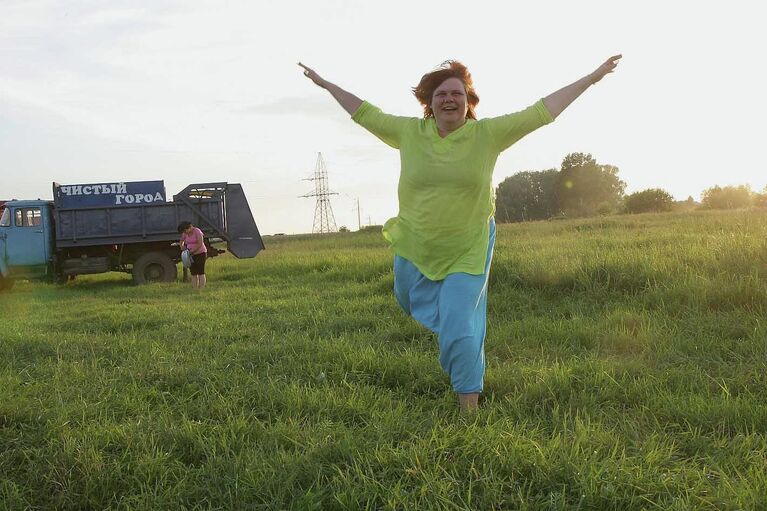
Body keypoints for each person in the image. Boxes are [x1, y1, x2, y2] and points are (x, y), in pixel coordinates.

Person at [299, 55, 621, 411]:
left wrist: (591, 78)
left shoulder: (487, 135)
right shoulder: (408, 132)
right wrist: (327, 84)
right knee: (406, 298)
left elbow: (542, 111)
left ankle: (469, 404)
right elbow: (364, 111)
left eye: (458, 94)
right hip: (415, 242)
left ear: (469, 103)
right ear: (429, 102)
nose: (450, 99)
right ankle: (456, 336)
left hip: (468, 245)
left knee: (458, 321)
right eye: (441, 94)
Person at [178, 221, 208, 290]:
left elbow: (200, 243)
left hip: (200, 253)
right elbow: (181, 240)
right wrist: (182, 247)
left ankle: (201, 288)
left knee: (200, 271)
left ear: (189, 227)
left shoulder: (197, 231)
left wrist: (192, 251)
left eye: (185, 230)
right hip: (190, 255)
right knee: (193, 272)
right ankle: (195, 288)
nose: (185, 232)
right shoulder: (185, 233)